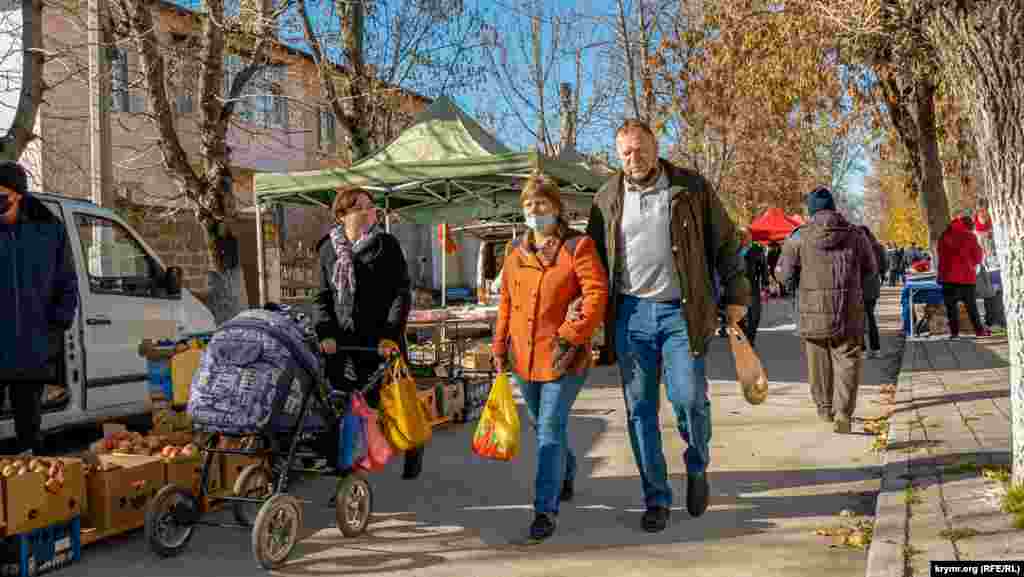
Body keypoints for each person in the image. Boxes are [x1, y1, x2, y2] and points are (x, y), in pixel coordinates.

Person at [586, 119, 749, 532]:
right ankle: (656, 497)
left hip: (680, 312)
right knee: (640, 410)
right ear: (617, 155)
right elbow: (593, 265)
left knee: (689, 398)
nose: (633, 158)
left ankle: (697, 463)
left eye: (639, 149)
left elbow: (726, 242)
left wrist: (737, 296)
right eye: (625, 152)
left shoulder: (690, 188)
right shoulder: (606, 197)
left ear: (655, 147)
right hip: (630, 316)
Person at [491, 173, 608, 541]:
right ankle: (567, 470)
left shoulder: (578, 247)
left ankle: (545, 509)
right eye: (528, 204)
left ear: (556, 208)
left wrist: (571, 335)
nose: (534, 210)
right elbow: (506, 303)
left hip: (563, 357)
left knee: (548, 431)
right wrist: (498, 346)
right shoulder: (514, 253)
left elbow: (596, 294)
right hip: (524, 359)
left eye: (541, 204)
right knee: (545, 426)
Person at [314, 186, 425, 479]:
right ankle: (349, 468)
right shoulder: (327, 249)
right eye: (360, 207)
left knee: (391, 401)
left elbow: (401, 294)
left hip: (380, 340)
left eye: (371, 206)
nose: (368, 211)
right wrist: (325, 333)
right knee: (346, 403)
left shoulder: (385, 245)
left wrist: (390, 334)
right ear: (342, 215)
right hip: (341, 343)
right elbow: (322, 297)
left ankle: (413, 443)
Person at [778, 187, 876, 434]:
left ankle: (824, 409)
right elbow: (871, 269)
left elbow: (785, 274)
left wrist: (789, 285)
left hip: (812, 311)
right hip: (848, 310)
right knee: (848, 359)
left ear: (811, 210)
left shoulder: (798, 237)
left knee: (818, 360)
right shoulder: (855, 234)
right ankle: (844, 412)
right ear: (833, 207)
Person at [0, 161, 79, 455]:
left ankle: (27, 487)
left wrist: (56, 327)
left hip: (31, 346)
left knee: (28, 430)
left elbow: (66, 282)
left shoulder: (48, 231)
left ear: (17, 195)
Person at [937, 212, 990, 339]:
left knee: (951, 307)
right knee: (971, 306)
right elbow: (977, 257)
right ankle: (979, 331)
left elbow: (940, 254)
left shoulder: (944, 235)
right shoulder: (970, 236)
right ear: (969, 226)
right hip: (966, 276)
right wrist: (970, 263)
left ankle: (954, 333)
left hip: (947, 276)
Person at [860, 226, 887, 359]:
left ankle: (863, 350)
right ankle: (876, 349)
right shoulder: (878, 247)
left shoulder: (856, 248)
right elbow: (884, 265)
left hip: (859, 287)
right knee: (870, 317)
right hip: (873, 287)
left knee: (859, 318)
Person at [738, 229, 766, 347]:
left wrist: (765, 284)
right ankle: (744, 335)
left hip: (752, 285)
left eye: (747, 236)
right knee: (740, 315)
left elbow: (763, 268)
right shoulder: (734, 250)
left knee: (755, 314)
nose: (745, 238)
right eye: (742, 236)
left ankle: (750, 337)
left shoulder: (757, 250)